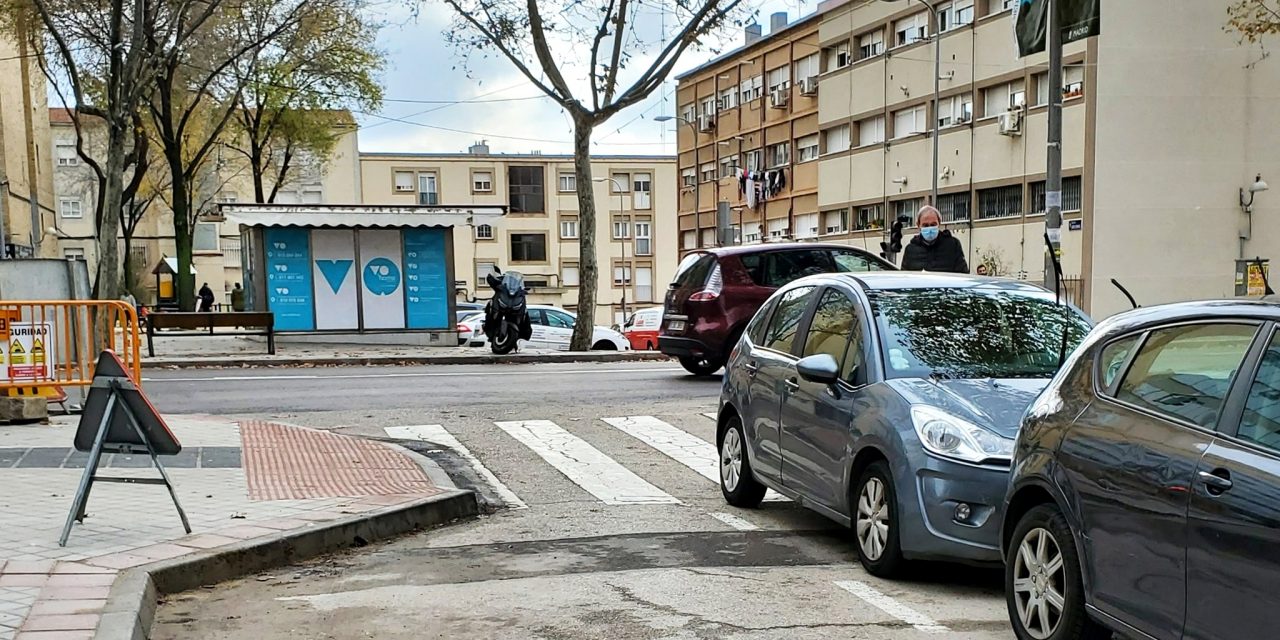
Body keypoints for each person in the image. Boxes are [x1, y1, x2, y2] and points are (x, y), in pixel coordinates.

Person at [900, 206, 969, 273]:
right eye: (925, 225)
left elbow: (963, 274)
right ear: (918, 225)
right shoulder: (910, 249)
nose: (929, 228)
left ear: (939, 223)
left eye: (933, 224)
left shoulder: (953, 245)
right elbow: (905, 276)